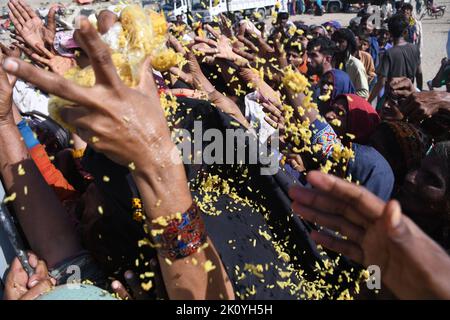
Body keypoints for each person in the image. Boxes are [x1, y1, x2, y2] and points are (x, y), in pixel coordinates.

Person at [369, 13, 422, 104]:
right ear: (405, 32)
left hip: (393, 100)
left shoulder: (389, 53)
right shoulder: (415, 48)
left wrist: (369, 100)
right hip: (410, 97)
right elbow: (419, 73)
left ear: (389, 34)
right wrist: (419, 92)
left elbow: (381, 82)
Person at [332, 28, 370, 99]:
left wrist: (344, 98)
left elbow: (364, 93)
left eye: (341, 42)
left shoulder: (355, 65)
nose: (337, 44)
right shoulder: (330, 61)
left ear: (348, 44)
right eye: (335, 41)